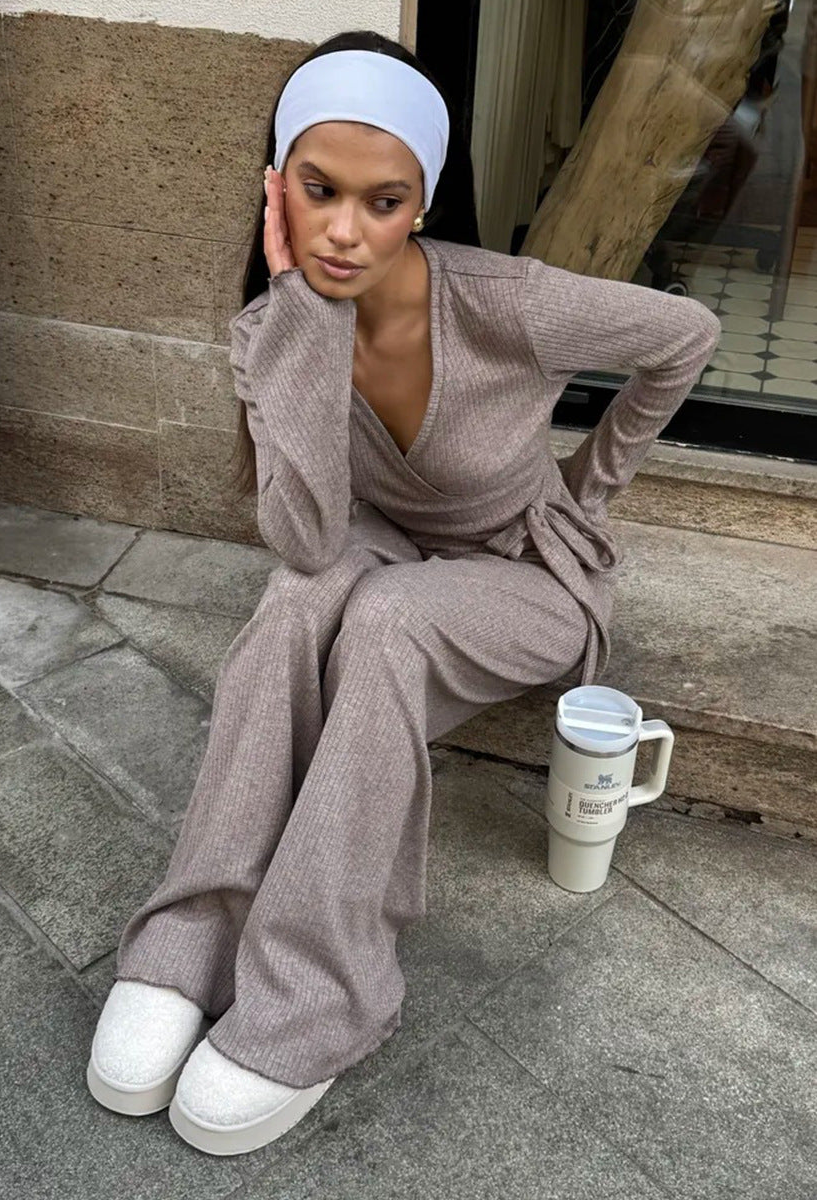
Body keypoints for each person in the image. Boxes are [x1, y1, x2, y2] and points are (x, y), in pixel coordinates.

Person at [85, 30, 722, 1157]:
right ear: (276, 185)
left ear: (421, 202)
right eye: (321, 192)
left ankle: (316, 992)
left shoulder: (508, 304)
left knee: (384, 620)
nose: (345, 230)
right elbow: (307, 533)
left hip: (526, 576)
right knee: (296, 598)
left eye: (384, 203)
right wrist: (304, 330)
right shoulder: (275, 326)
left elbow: (687, 336)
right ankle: (190, 937)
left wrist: (589, 490)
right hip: (384, 548)